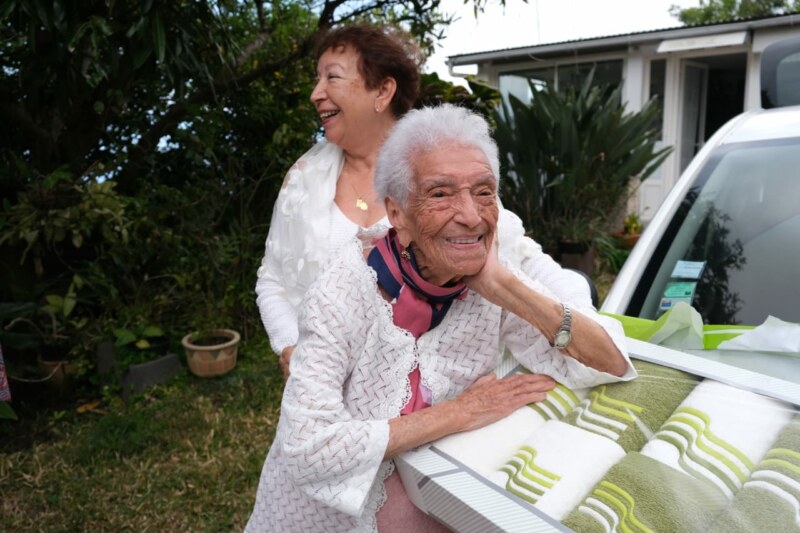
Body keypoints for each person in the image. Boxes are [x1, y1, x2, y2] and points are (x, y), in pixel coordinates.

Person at [244, 105, 636, 532]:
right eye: (441, 193)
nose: (470, 214)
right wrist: (459, 412)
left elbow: (608, 362)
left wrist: (508, 289)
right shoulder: (343, 292)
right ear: (397, 214)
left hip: (436, 489)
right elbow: (309, 448)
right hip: (324, 513)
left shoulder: (486, 280)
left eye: (484, 191)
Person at [254, 23, 422, 377]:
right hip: (325, 389)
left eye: (332, 78)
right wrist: (289, 346)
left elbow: (514, 259)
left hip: (426, 387)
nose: (316, 93)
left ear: (383, 91)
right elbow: (272, 279)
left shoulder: (439, 170)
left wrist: (567, 316)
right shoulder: (303, 178)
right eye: (317, 79)